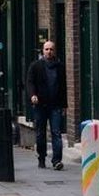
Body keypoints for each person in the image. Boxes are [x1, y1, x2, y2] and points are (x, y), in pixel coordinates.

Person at [26, 40, 67, 170]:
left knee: (56, 132)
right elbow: (30, 82)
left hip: (55, 105)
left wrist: (64, 105)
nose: (49, 52)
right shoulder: (36, 66)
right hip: (40, 105)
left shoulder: (60, 67)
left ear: (54, 51)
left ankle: (56, 161)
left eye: (51, 49)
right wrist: (33, 95)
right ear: (43, 51)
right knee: (40, 133)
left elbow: (63, 87)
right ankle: (42, 158)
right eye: (47, 49)